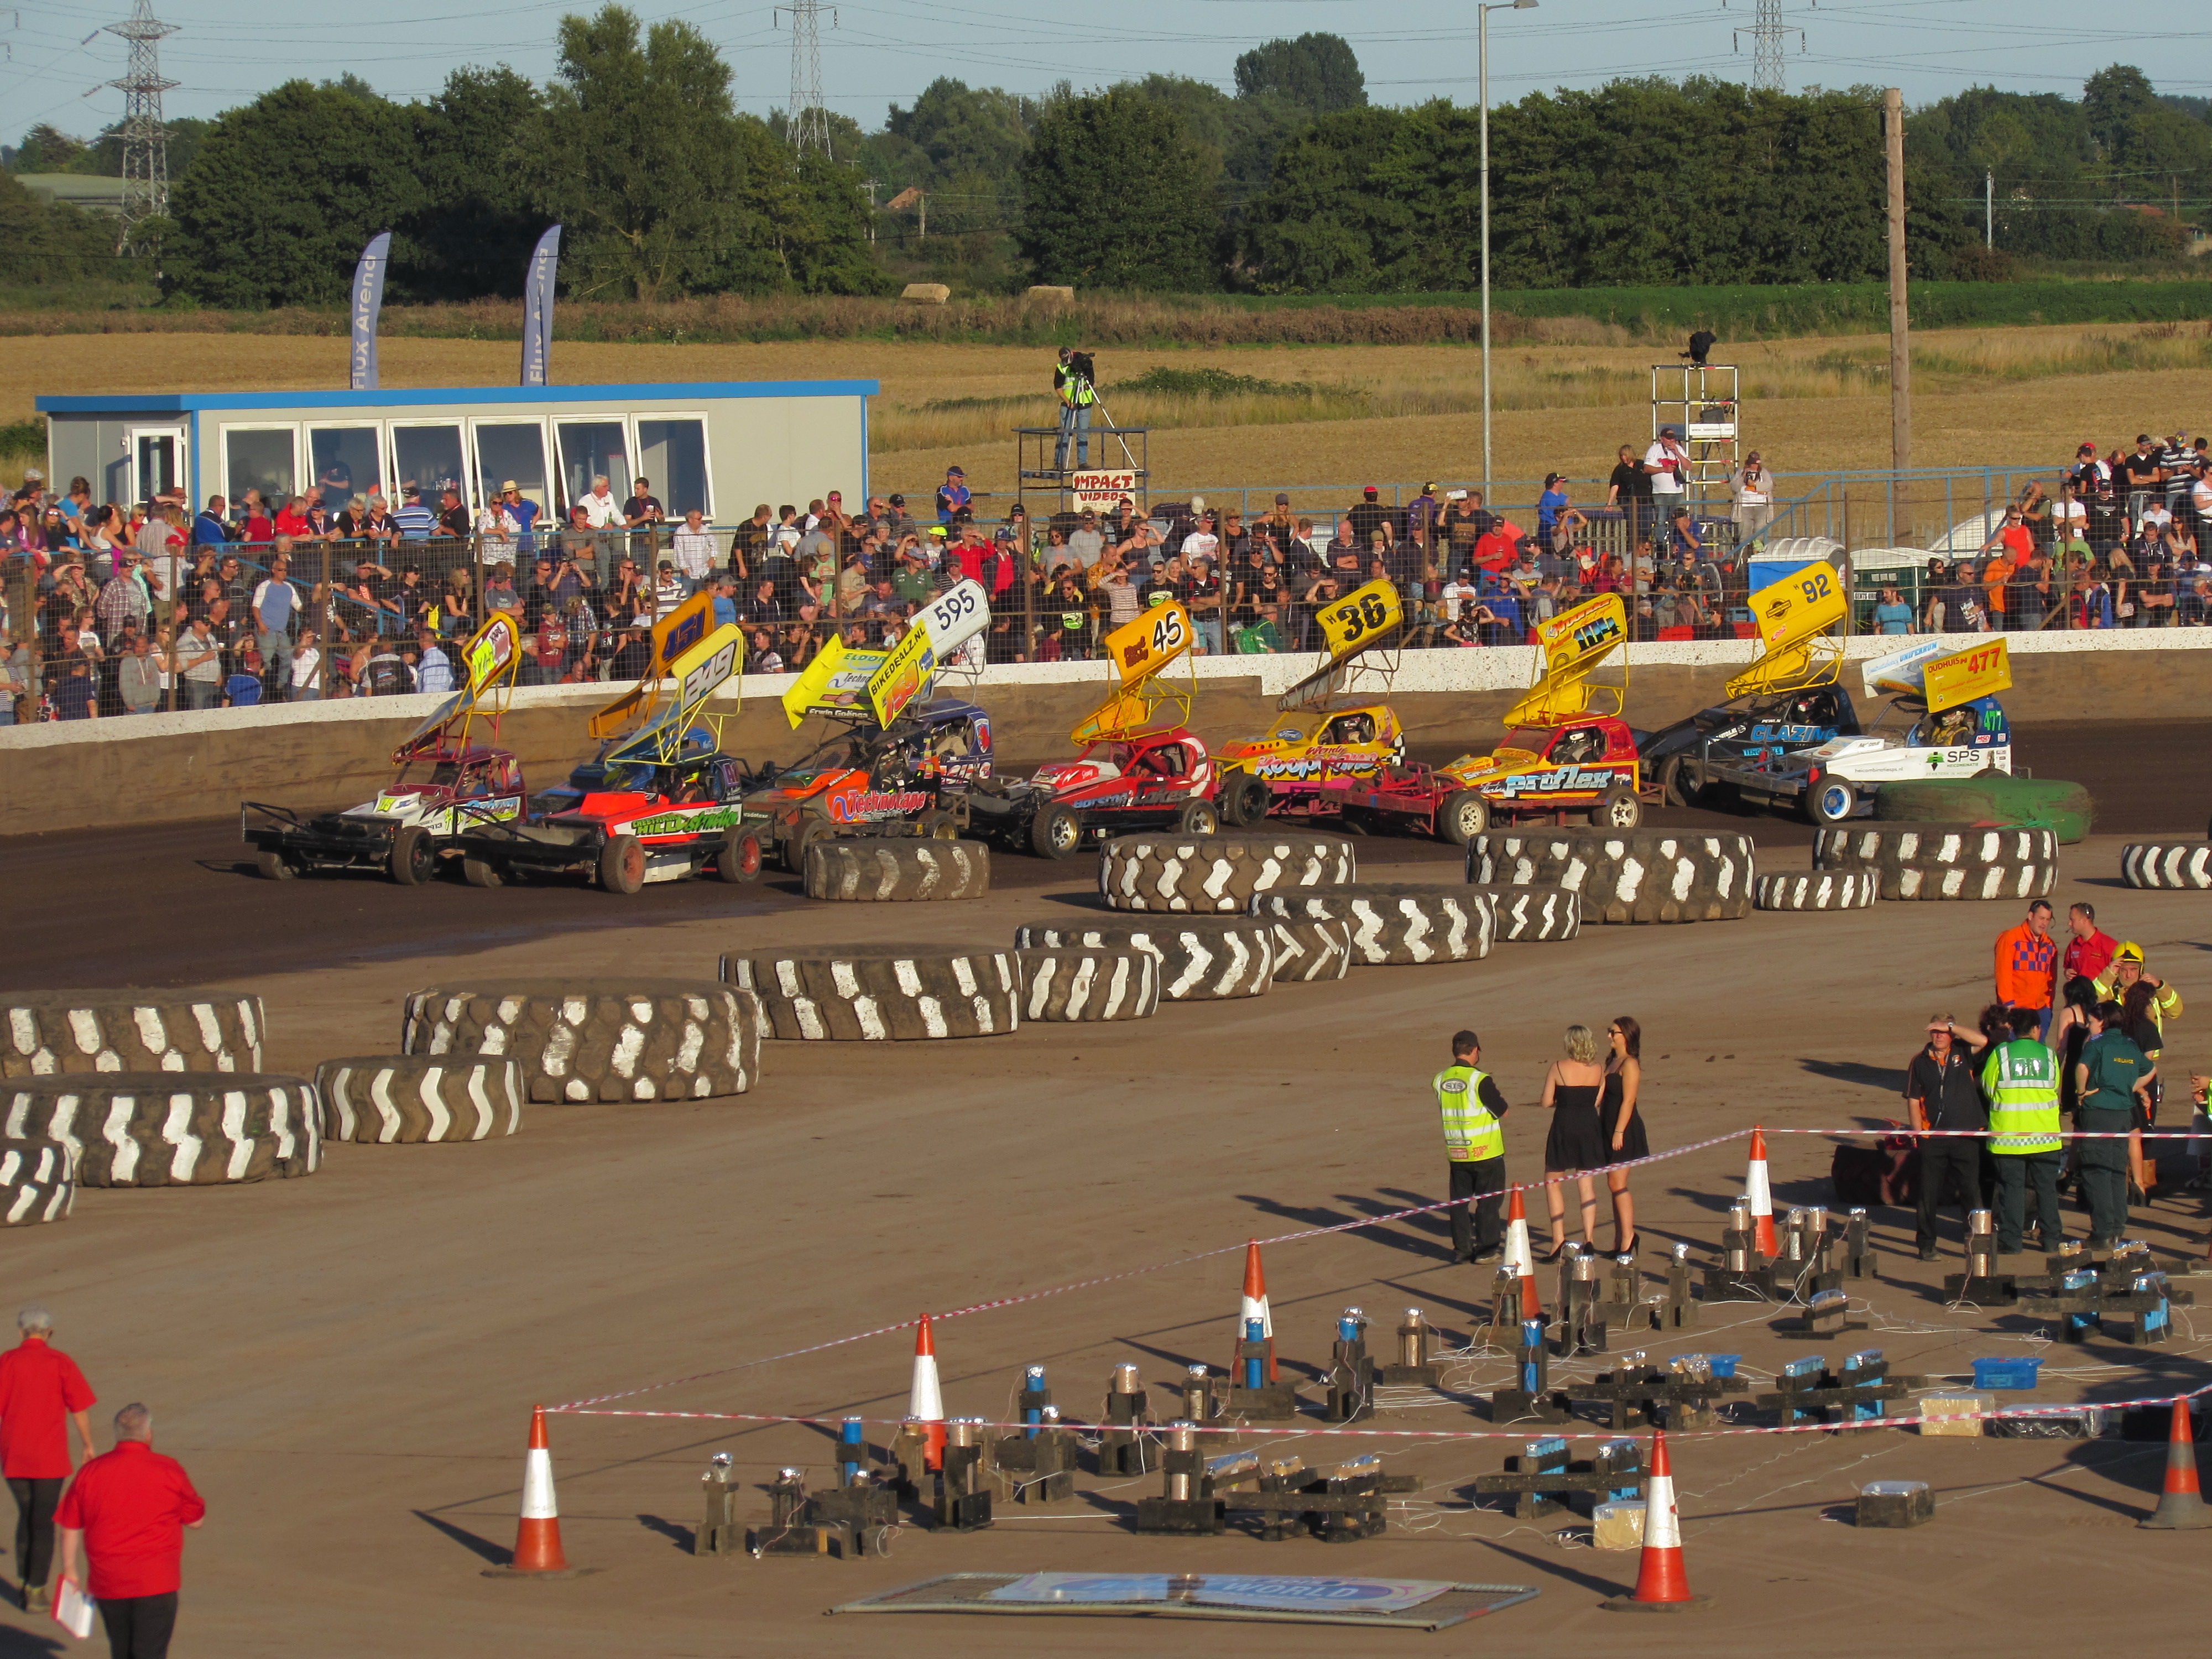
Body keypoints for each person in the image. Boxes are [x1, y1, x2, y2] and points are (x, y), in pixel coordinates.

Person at [56, 1402, 203, 1659]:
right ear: (148, 1434)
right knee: (150, 1652)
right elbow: (195, 1520)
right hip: (155, 1581)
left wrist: (70, 1569)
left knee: (121, 1650)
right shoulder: (168, 1469)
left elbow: (69, 1525)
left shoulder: (90, 1472)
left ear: (117, 1434)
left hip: (109, 1582)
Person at [0, 1306, 95, 1613]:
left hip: (14, 1454)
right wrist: (88, 1444)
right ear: (49, 1332)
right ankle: (35, 1589)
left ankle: (24, 1581)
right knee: (43, 1522)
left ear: (20, 1331)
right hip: (49, 1458)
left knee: (26, 1516)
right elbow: (79, 1409)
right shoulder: (60, 1362)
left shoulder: (6, 1362)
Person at [1953, 1006, 2064, 1255]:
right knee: (2046, 1190)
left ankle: (2012, 1241)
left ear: (2013, 1029)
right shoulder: (2048, 1055)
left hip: (2008, 1136)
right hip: (2045, 1136)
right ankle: (2051, 1239)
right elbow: (2055, 1085)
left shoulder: (2001, 1054)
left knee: (2011, 1190)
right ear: (2036, 1029)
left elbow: (1988, 1087)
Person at [1906, 1013, 1987, 1260]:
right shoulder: (1919, 1061)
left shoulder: (1963, 1051)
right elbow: (1913, 1099)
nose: (1939, 1036)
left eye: (1944, 1031)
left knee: (1971, 1192)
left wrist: (1952, 1026)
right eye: (1935, 1031)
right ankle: (1927, 1244)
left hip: (1966, 1135)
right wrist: (1918, 1133)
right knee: (1928, 1194)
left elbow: (1983, 1041)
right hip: (1933, 1138)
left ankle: (1975, 1242)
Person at [2074, 1001, 2154, 1248]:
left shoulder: (2097, 1043)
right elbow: (2151, 1069)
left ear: (2103, 1021)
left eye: (2091, 1021)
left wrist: (2081, 1092)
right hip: (2123, 1114)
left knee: (2096, 1171)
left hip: (2099, 1111)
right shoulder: (2129, 1044)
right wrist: (2129, 1087)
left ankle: (2102, 1232)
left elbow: (2082, 1067)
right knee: (2117, 1171)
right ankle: (2118, 1228)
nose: (2089, 1026)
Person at [1434, 1030, 1511, 1264]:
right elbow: (1502, 1110)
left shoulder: (1440, 1079)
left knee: (1459, 1203)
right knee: (1489, 1202)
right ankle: (1487, 1250)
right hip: (1486, 1151)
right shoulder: (1480, 1079)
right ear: (1475, 1050)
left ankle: (1462, 1249)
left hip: (1457, 1151)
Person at [1538, 1024, 1607, 1258]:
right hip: (1589, 1125)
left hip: (1564, 1125)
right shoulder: (1598, 1069)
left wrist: (1564, 1099)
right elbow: (1597, 1101)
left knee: (1553, 1181)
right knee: (1586, 1184)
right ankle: (1589, 1239)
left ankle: (1558, 1240)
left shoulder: (1558, 1067)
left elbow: (1546, 1102)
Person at [1599, 1016, 1647, 1256]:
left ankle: (1628, 1238)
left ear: (1626, 1036)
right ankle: (1619, 1240)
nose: (1609, 1036)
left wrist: (1619, 1132)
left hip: (1624, 1129)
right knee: (1612, 1183)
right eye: (1610, 1031)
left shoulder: (1630, 1064)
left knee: (1618, 1183)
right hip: (1607, 1126)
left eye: (1614, 1032)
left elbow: (1629, 1101)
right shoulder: (1611, 1062)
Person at [1994, 899, 2057, 1039]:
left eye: (2048, 920)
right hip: (2016, 1010)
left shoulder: (2050, 946)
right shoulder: (2011, 939)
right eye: (2041, 918)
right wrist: (2008, 1005)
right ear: (2030, 916)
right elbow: (2003, 974)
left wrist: (2048, 1006)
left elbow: (2051, 980)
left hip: (2041, 1010)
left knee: (2037, 1049)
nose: (2044, 923)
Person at [1053, 347, 1097, 471]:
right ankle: (1059, 462)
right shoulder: (1061, 367)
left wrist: (1084, 386)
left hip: (1084, 403)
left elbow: (1091, 382)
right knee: (1064, 433)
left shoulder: (1084, 363)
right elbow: (1058, 387)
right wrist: (1068, 401)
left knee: (1083, 433)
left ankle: (1083, 462)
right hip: (1068, 405)